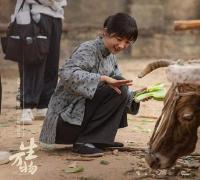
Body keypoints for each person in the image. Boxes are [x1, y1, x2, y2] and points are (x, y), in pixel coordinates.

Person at [40, 13, 149, 157]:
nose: (122, 45)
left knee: (121, 86)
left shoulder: (111, 57)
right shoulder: (88, 49)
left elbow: (116, 90)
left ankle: (99, 140)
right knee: (118, 85)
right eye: (119, 39)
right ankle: (84, 142)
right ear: (105, 32)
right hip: (64, 121)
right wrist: (102, 79)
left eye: (127, 42)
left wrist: (136, 97)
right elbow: (66, 73)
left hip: (79, 120)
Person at [12, 0, 67, 124]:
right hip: (35, 12)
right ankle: (26, 107)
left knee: (52, 63)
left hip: (56, 14)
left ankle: (44, 104)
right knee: (33, 60)